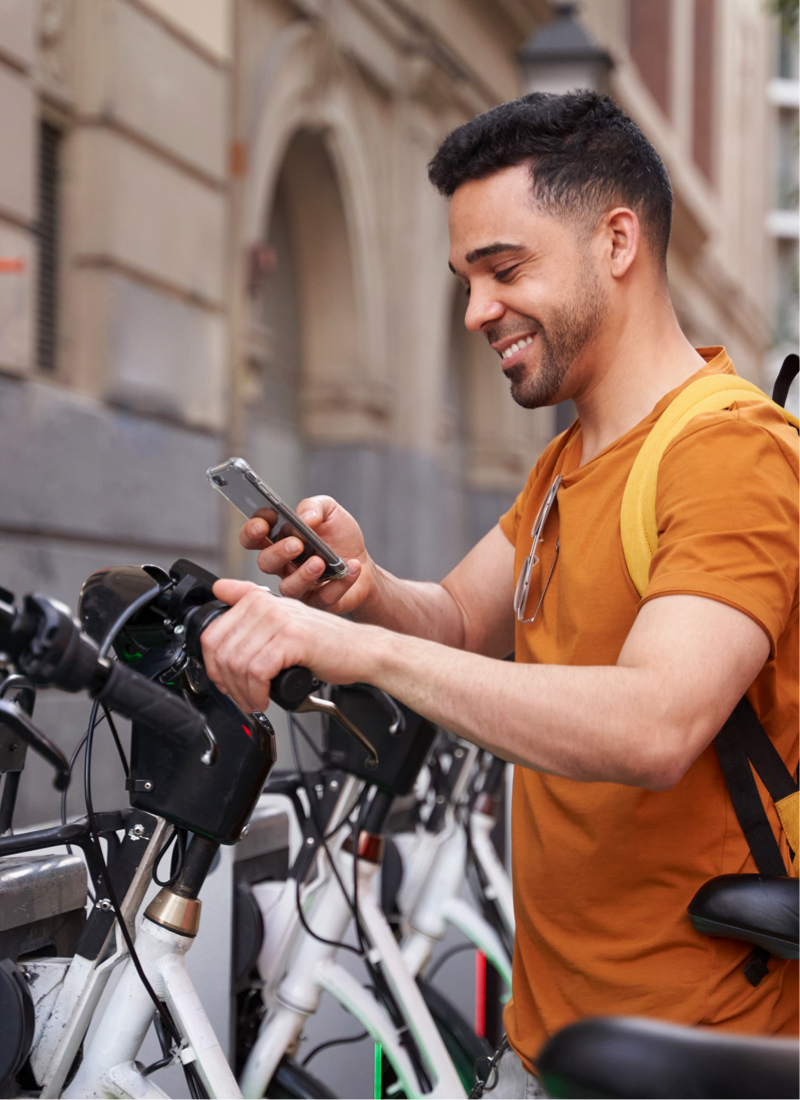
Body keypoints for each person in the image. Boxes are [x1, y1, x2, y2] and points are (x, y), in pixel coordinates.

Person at [202, 92, 799, 1096]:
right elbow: (455, 620)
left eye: (504, 269)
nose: (476, 311)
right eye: (466, 279)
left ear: (616, 241)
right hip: (547, 1032)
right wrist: (360, 586)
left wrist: (363, 651)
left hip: (691, 1057)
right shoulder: (566, 462)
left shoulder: (729, 453)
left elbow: (656, 723)